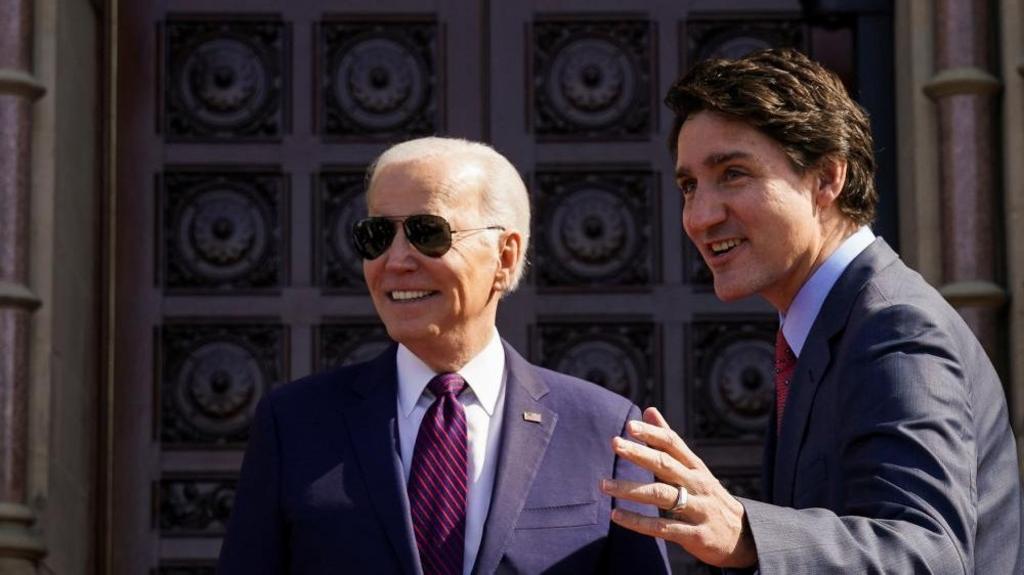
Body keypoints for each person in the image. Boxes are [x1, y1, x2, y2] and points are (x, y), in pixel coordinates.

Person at [600, 48, 1024, 573]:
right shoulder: (827, 327)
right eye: (689, 187)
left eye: (733, 173)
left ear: (826, 178)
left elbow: (929, 553)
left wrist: (746, 532)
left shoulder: (896, 327)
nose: (701, 216)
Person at [218, 137, 670, 574]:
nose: (395, 260)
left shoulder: (603, 430)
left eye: (426, 233)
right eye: (377, 235)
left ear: (505, 256)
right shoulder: (294, 423)